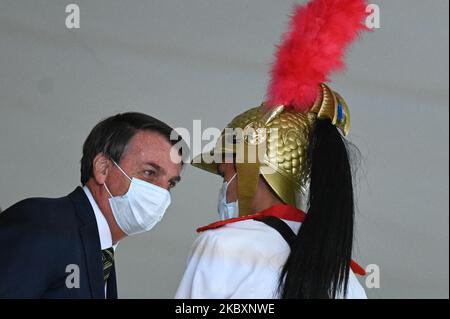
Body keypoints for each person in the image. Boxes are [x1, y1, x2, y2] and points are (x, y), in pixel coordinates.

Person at [176, 0, 370, 299]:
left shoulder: (224, 245)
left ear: (249, 164)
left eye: (223, 171)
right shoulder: (344, 277)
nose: (223, 185)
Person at [0, 112, 184, 298]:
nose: (162, 192)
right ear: (102, 168)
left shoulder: (102, 251)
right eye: (149, 172)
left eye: (171, 183)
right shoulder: (40, 223)